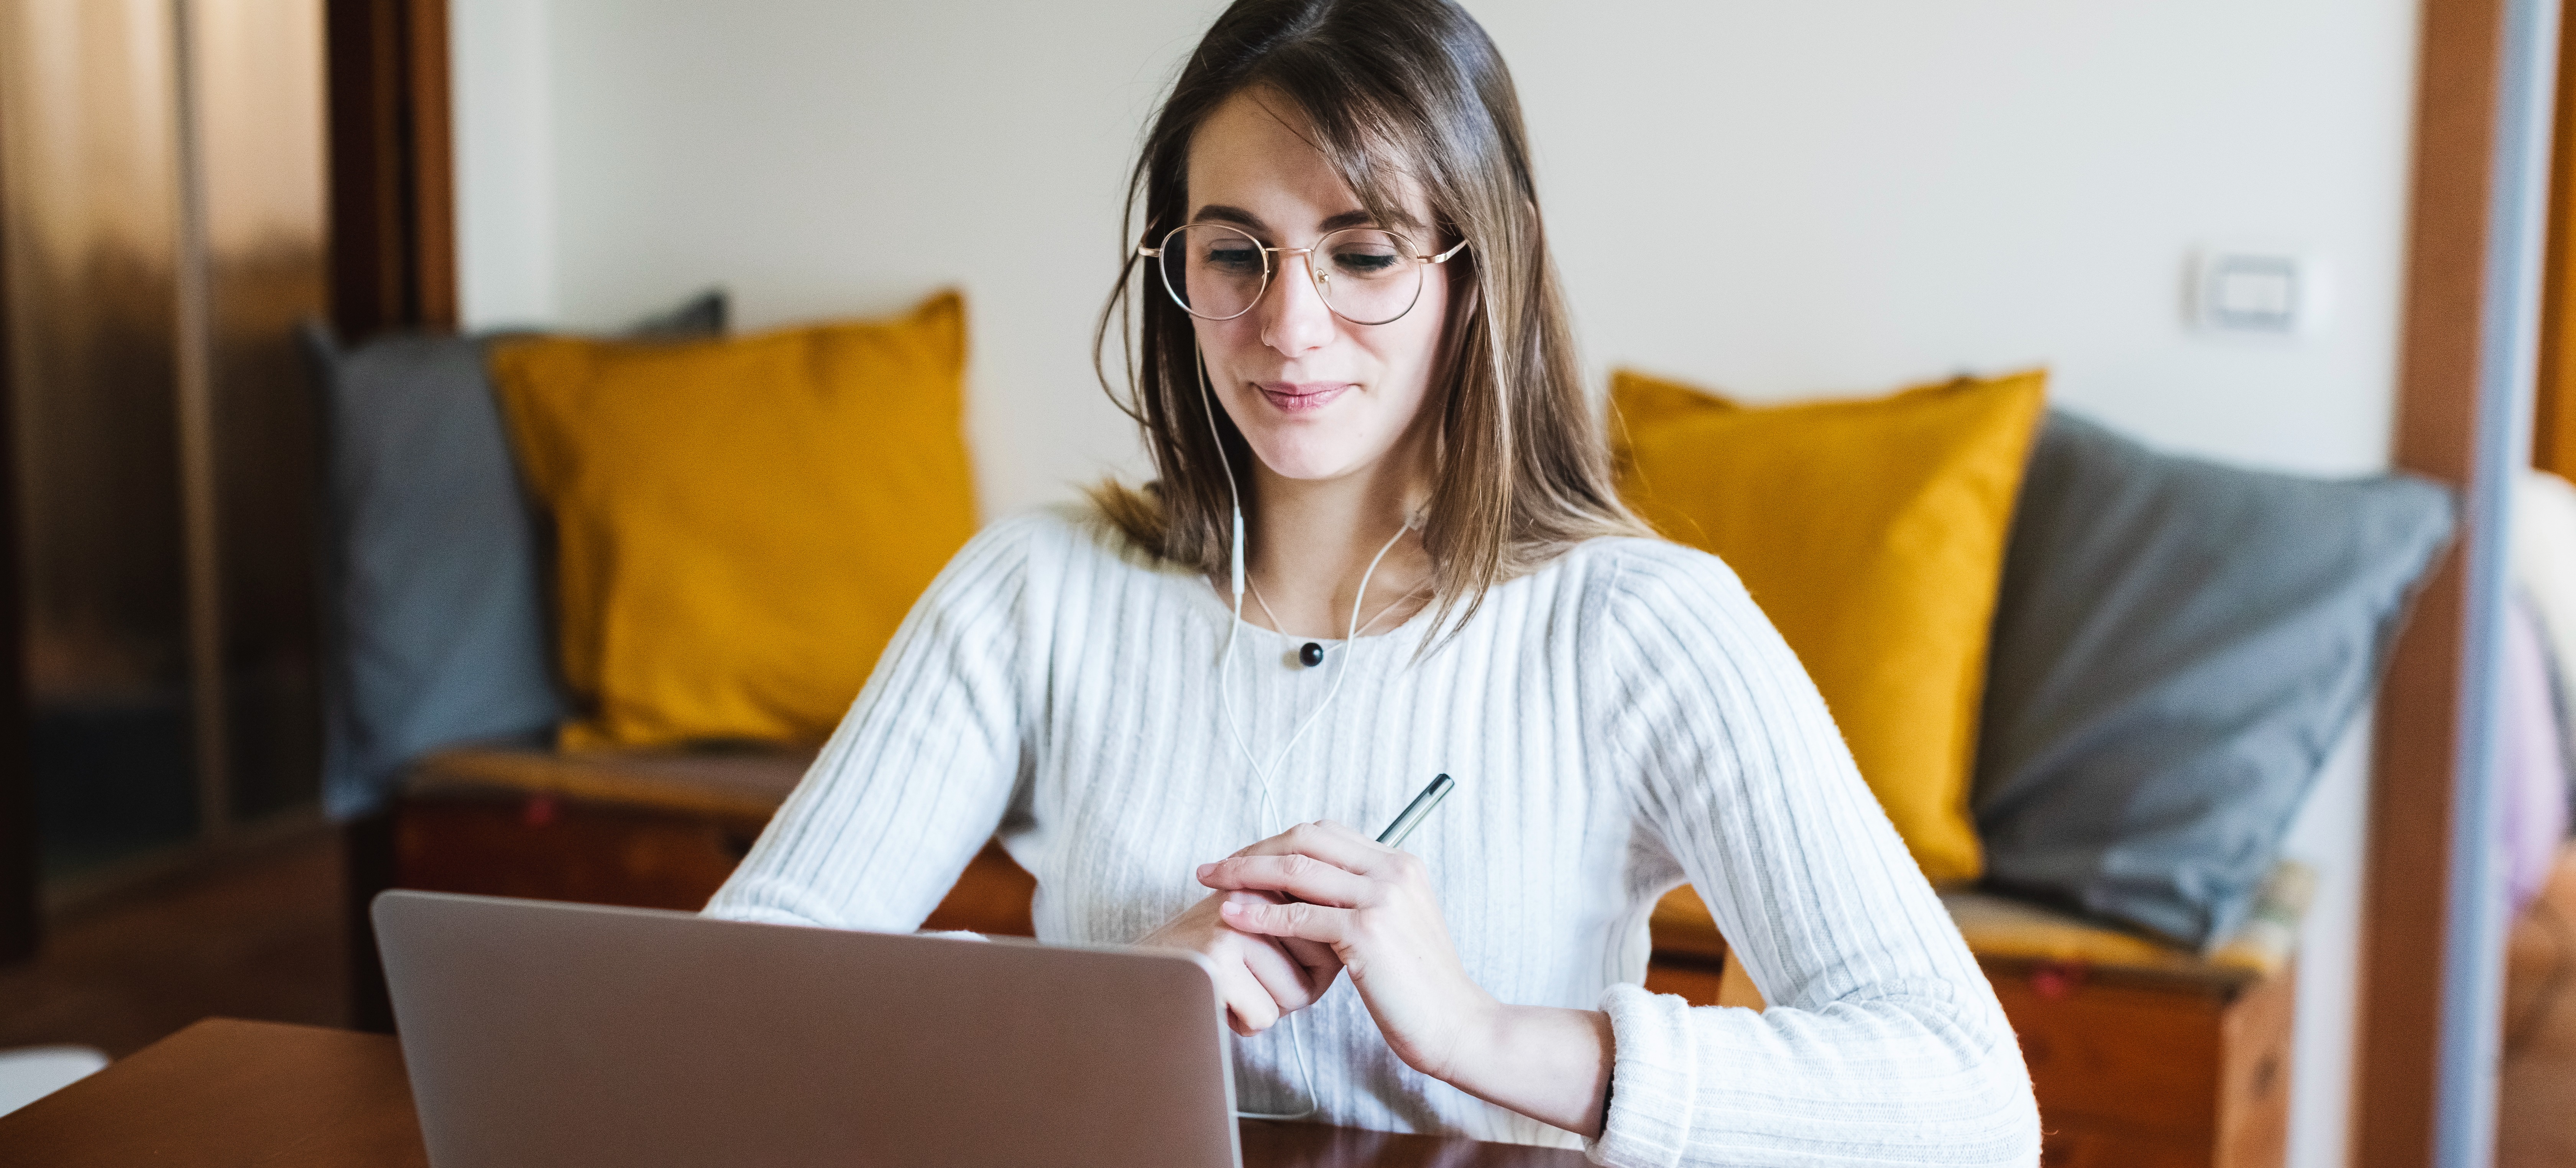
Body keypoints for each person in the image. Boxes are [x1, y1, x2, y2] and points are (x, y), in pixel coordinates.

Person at [705, 0, 2040, 1161]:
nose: (1288, 327)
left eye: (1365, 253)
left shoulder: (1645, 628)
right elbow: (728, 1006)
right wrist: (1112, 1008)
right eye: (1235, 253)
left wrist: (1482, 1034)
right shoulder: (1031, 594)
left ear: (1480, 269)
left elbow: (1965, 1103)